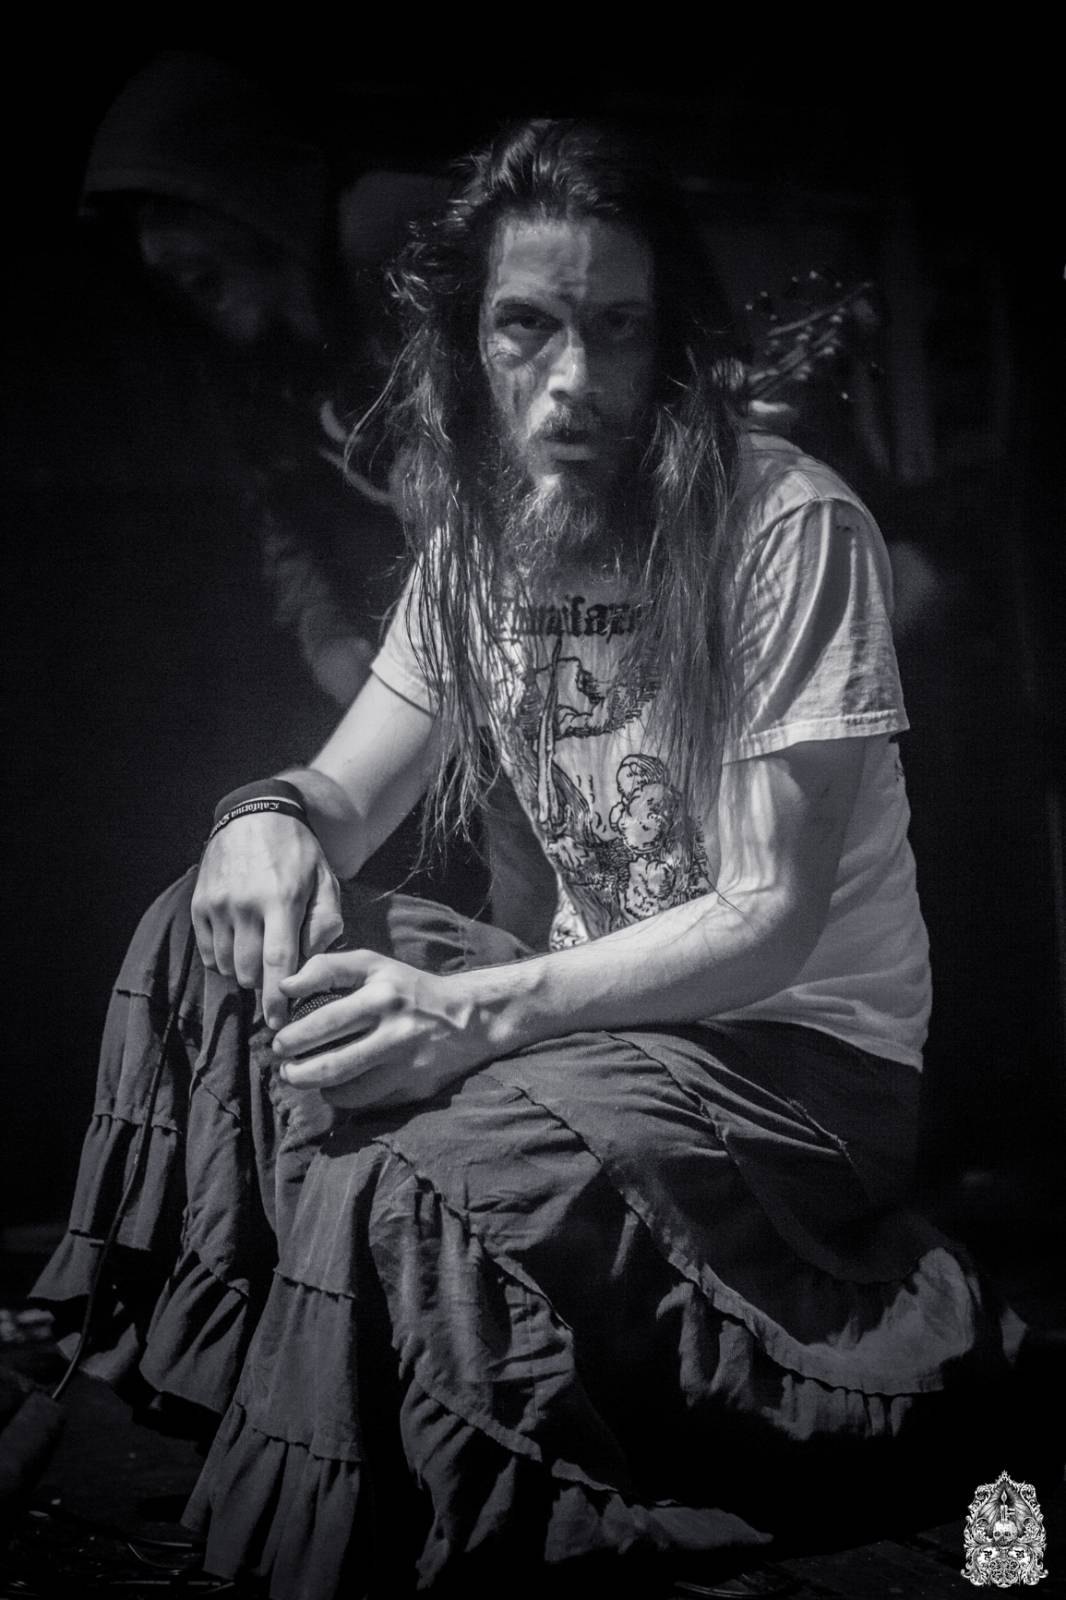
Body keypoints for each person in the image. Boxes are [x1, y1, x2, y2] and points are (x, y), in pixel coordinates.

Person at [35, 119, 1024, 1597]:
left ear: (670, 340)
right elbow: (340, 788)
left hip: (789, 1064)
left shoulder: (786, 522)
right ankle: (272, 1381)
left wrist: (471, 1014)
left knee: (425, 1181)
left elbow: (765, 914)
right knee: (205, 930)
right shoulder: (482, 539)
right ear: (468, 339)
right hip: (581, 1018)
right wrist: (259, 819)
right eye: (528, 326)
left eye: (617, 327)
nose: (573, 379)